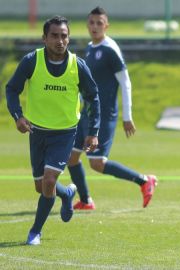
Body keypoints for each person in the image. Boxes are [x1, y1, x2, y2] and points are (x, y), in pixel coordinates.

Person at [5, 15, 101, 245]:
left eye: (64, 36)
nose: (60, 41)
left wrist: (93, 131)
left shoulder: (77, 65)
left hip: (65, 133)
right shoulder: (31, 61)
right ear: (44, 38)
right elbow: (12, 89)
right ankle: (67, 193)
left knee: (48, 181)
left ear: (69, 38)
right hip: (36, 132)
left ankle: (34, 232)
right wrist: (18, 116)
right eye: (55, 36)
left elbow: (93, 97)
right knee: (42, 187)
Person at [67, 6, 157, 210]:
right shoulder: (90, 48)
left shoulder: (109, 49)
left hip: (104, 115)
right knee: (71, 158)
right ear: (87, 25)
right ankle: (86, 200)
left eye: (100, 23)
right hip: (85, 114)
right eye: (92, 22)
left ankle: (144, 181)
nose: (95, 26)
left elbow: (125, 82)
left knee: (97, 163)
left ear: (107, 25)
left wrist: (128, 116)